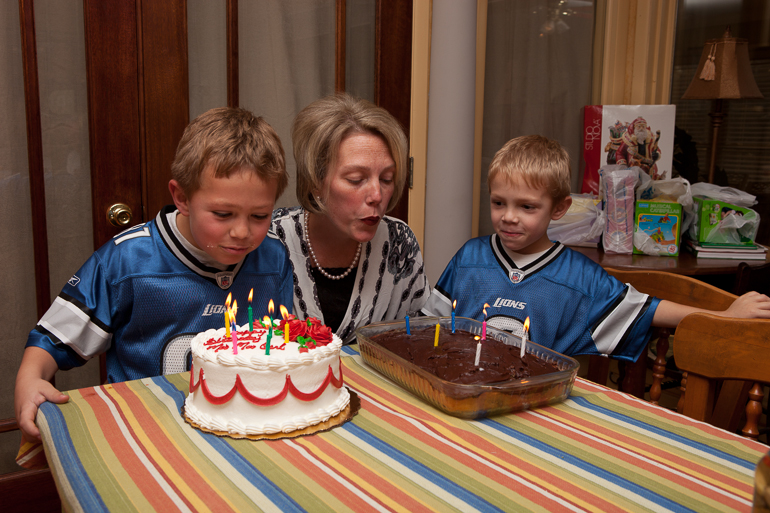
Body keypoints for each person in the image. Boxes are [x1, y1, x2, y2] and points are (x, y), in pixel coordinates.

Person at [15, 107, 293, 442]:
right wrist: (30, 379)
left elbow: (283, 342)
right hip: (144, 433)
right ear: (182, 197)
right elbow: (52, 340)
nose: (241, 232)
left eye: (260, 215)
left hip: (246, 430)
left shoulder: (273, 256)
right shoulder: (127, 260)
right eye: (223, 213)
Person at [422, 135, 770, 360]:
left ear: (559, 208)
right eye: (499, 203)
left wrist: (725, 315)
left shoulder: (580, 276)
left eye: (527, 207)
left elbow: (649, 311)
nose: (509, 217)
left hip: (535, 414)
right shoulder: (470, 257)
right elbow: (428, 328)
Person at [271, 93, 430, 343]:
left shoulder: (399, 242)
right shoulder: (270, 239)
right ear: (316, 182)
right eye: (356, 179)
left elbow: (420, 339)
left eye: (387, 179)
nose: (377, 195)